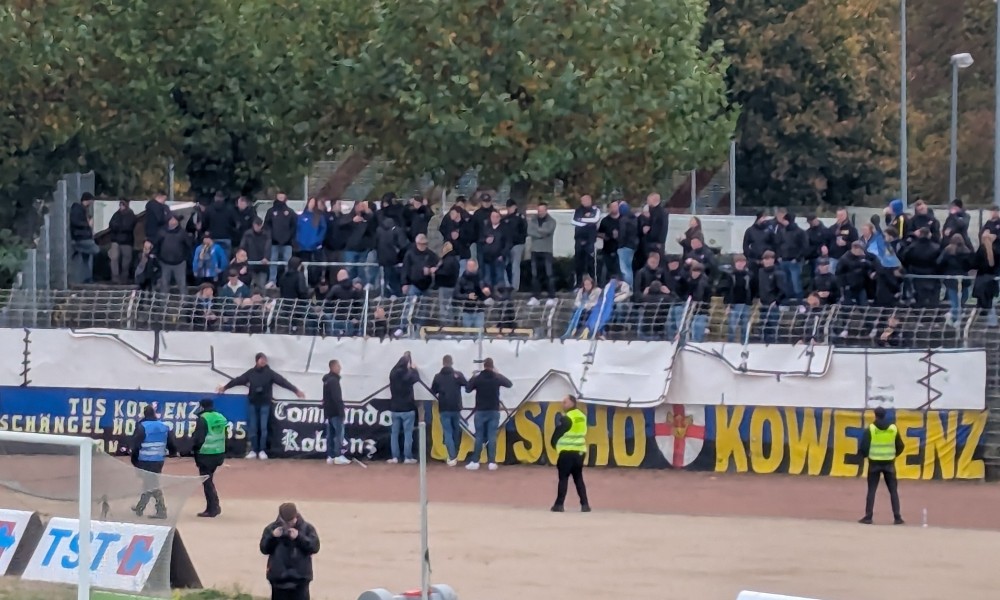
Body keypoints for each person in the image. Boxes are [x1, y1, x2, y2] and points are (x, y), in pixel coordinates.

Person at [216, 353, 305, 460]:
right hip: (253, 403)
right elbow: (238, 380)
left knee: (263, 428)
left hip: (265, 404)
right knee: (253, 428)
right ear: (257, 360)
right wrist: (225, 387)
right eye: (261, 359)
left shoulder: (270, 373)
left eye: (265, 359)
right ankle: (253, 450)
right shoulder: (251, 373)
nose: (263, 361)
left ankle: (262, 450)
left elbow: (283, 382)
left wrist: (296, 390)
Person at [260, 502, 320, 600]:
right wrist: (273, 537)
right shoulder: (271, 528)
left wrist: (299, 537)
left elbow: (315, 547)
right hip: (279, 579)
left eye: (291, 521)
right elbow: (264, 549)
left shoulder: (307, 528)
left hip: (300, 579)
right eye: (286, 522)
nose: (289, 525)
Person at [858, 407, 905, 525]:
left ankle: (868, 517)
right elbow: (900, 445)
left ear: (875, 415)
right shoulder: (893, 428)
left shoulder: (871, 429)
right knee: (893, 491)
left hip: (874, 463)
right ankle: (897, 517)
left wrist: (866, 455)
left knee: (872, 491)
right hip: (889, 463)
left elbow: (864, 446)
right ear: (885, 415)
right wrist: (893, 455)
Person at [465, 358, 512, 471]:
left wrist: (472, 377)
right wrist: (498, 373)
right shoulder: (496, 377)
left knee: (479, 436)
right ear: (492, 366)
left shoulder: (478, 378)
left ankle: (475, 461)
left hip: (480, 411)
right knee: (492, 436)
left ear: (484, 366)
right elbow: (509, 384)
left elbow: (467, 389)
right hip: (494, 411)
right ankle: (492, 462)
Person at [130, 405, 177, 519]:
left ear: (144, 414)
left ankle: (161, 510)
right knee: (149, 483)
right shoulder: (164, 426)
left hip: (145, 459)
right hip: (158, 460)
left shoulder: (142, 426)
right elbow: (171, 443)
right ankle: (140, 507)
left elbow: (136, 445)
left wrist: (134, 460)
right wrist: (172, 453)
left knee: (153, 485)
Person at [550, 394, 590, 513]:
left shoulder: (567, 418)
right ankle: (585, 504)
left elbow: (557, 433)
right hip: (580, 452)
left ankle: (559, 504)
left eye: (565, 402)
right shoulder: (582, 416)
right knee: (578, 478)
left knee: (563, 478)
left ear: (572, 403)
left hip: (567, 452)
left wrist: (553, 444)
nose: (563, 404)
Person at [192, 398, 228, 518]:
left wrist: (191, 449)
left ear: (201, 406)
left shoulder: (203, 419)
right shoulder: (220, 417)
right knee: (209, 480)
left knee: (207, 482)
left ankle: (213, 508)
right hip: (219, 453)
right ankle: (212, 507)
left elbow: (198, 438)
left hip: (205, 454)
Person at [430, 354, 468, 466]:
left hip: (444, 407)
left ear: (443, 363)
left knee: (447, 432)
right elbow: (467, 385)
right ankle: (455, 453)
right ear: (452, 362)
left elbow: (433, 391)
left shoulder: (437, 377)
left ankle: (452, 456)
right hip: (456, 407)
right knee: (456, 431)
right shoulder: (458, 375)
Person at [388, 352, 420, 464]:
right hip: (408, 408)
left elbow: (395, 369)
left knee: (394, 434)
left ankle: (395, 457)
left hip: (395, 408)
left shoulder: (392, 373)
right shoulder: (409, 374)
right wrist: (414, 369)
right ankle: (407, 457)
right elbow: (416, 378)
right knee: (408, 434)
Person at [527, 202, 557, 304]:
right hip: (535, 251)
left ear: (546, 210)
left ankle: (552, 296)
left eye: (542, 210)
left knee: (549, 274)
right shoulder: (533, 220)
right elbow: (529, 231)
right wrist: (540, 233)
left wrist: (537, 232)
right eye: (539, 210)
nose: (540, 212)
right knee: (535, 275)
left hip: (546, 251)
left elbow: (547, 231)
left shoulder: (552, 221)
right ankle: (535, 297)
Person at [265, 193, 298, 286]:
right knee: (273, 262)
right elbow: (267, 226)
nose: (280, 199)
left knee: (288, 263)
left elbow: (294, 227)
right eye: (279, 197)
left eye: (282, 197)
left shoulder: (290, 212)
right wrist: (272, 236)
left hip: (287, 243)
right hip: (274, 243)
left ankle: (288, 280)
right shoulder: (271, 211)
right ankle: (272, 281)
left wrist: (288, 237)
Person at [323, 359, 350, 465]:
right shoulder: (334, 381)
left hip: (329, 412)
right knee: (339, 434)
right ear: (333, 367)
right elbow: (336, 397)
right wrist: (341, 412)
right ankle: (338, 455)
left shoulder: (327, 380)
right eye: (338, 366)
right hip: (335, 412)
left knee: (330, 435)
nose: (340, 368)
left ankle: (330, 456)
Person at [571, 195, 601, 284]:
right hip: (579, 240)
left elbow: (595, 220)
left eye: (586, 200)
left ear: (590, 200)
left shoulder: (596, 210)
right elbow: (573, 222)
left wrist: (581, 220)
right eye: (582, 200)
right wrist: (586, 221)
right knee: (578, 264)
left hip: (590, 241)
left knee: (591, 263)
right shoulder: (578, 210)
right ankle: (579, 284)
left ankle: (593, 283)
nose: (584, 202)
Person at [70, 193, 100, 284]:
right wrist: (87, 224)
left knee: (85, 261)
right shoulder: (77, 209)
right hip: (81, 236)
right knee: (96, 250)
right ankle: (78, 248)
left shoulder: (84, 210)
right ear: (87, 200)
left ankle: (87, 278)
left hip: (85, 235)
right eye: (90, 201)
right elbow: (75, 222)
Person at [108, 200, 137, 284]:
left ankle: (124, 278)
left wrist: (117, 227)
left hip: (126, 241)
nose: (121, 206)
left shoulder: (131, 215)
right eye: (120, 204)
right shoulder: (116, 214)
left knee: (126, 261)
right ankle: (115, 278)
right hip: (116, 240)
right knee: (114, 259)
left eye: (123, 204)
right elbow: (111, 224)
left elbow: (128, 226)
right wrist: (118, 227)